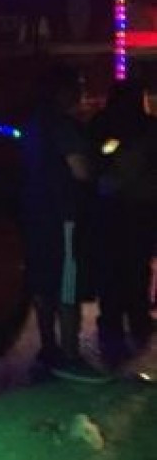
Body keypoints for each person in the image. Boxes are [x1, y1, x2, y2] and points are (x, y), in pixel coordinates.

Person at [19, 64, 105, 382]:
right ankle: (70, 355)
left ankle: (48, 348)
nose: (81, 93)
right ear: (64, 92)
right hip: (63, 216)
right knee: (67, 286)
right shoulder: (64, 126)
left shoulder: (32, 124)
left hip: (35, 213)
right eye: (77, 87)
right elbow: (81, 170)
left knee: (43, 284)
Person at [86, 78, 157, 363]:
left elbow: (93, 158)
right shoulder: (150, 127)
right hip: (140, 206)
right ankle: (137, 321)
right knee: (136, 266)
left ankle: (113, 329)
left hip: (112, 205)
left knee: (113, 269)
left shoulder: (102, 124)